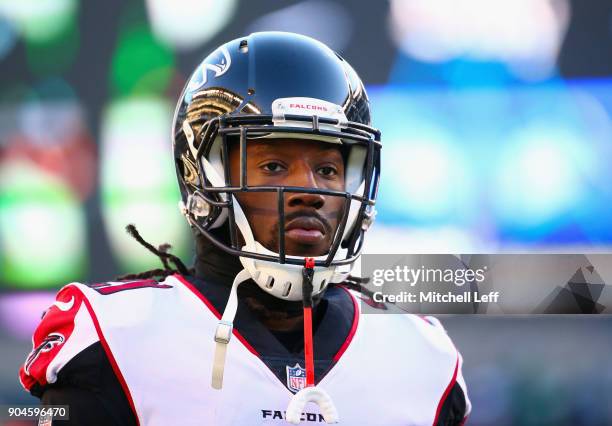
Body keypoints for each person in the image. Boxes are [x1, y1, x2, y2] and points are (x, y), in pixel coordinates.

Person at [19, 32, 470, 425]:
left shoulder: (422, 358)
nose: (309, 191)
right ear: (203, 177)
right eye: (274, 165)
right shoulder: (115, 340)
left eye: (329, 170)